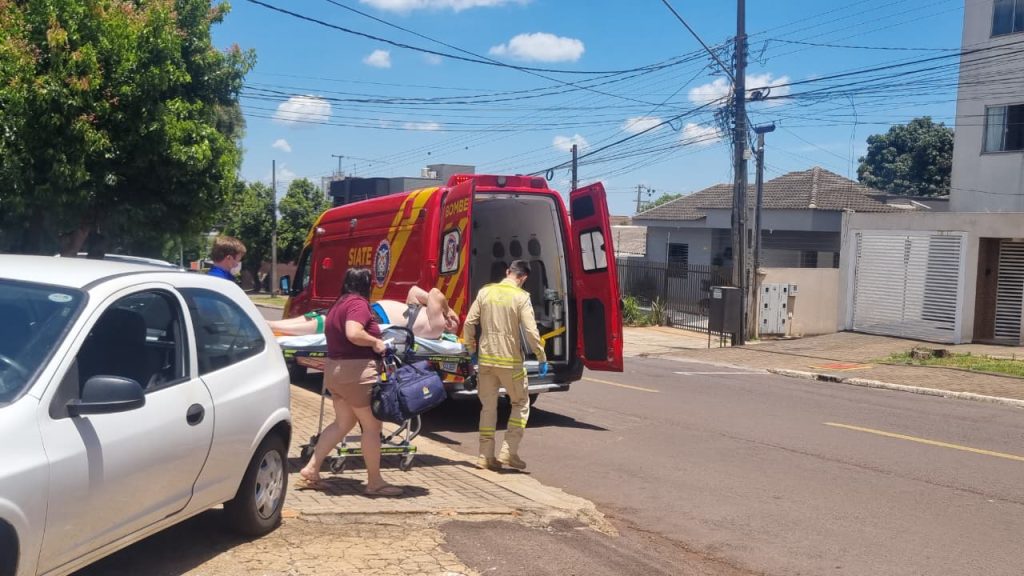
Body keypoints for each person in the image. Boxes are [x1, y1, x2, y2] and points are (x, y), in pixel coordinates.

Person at [298, 268, 403, 497]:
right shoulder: (358, 304)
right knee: (372, 427)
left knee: (342, 423)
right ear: (366, 284)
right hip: (357, 373)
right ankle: (374, 482)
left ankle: (312, 469)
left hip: (335, 372)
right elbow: (353, 332)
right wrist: (375, 342)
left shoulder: (338, 304)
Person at [463, 260, 548, 472]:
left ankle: (485, 456)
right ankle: (508, 452)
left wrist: (471, 351)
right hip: (510, 362)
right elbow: (531, 331)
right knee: (520, 403)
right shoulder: (521, 297)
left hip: (486, 360)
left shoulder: (485, 292)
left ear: (508, 271)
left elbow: (469, 323)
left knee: (488, 407)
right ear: (523, 278)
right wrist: (541, 356)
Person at [269, 285, 459, 339]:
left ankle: (274, 327)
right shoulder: (430, 315)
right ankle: (271, 325)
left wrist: (447, 309)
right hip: (374, 311)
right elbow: (414, 291)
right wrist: (441, 308)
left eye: (454, 321)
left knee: (329, 322)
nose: (451, 319)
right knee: (323, 314)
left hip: (378, 318)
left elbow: (435, 293)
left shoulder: (436, 326)